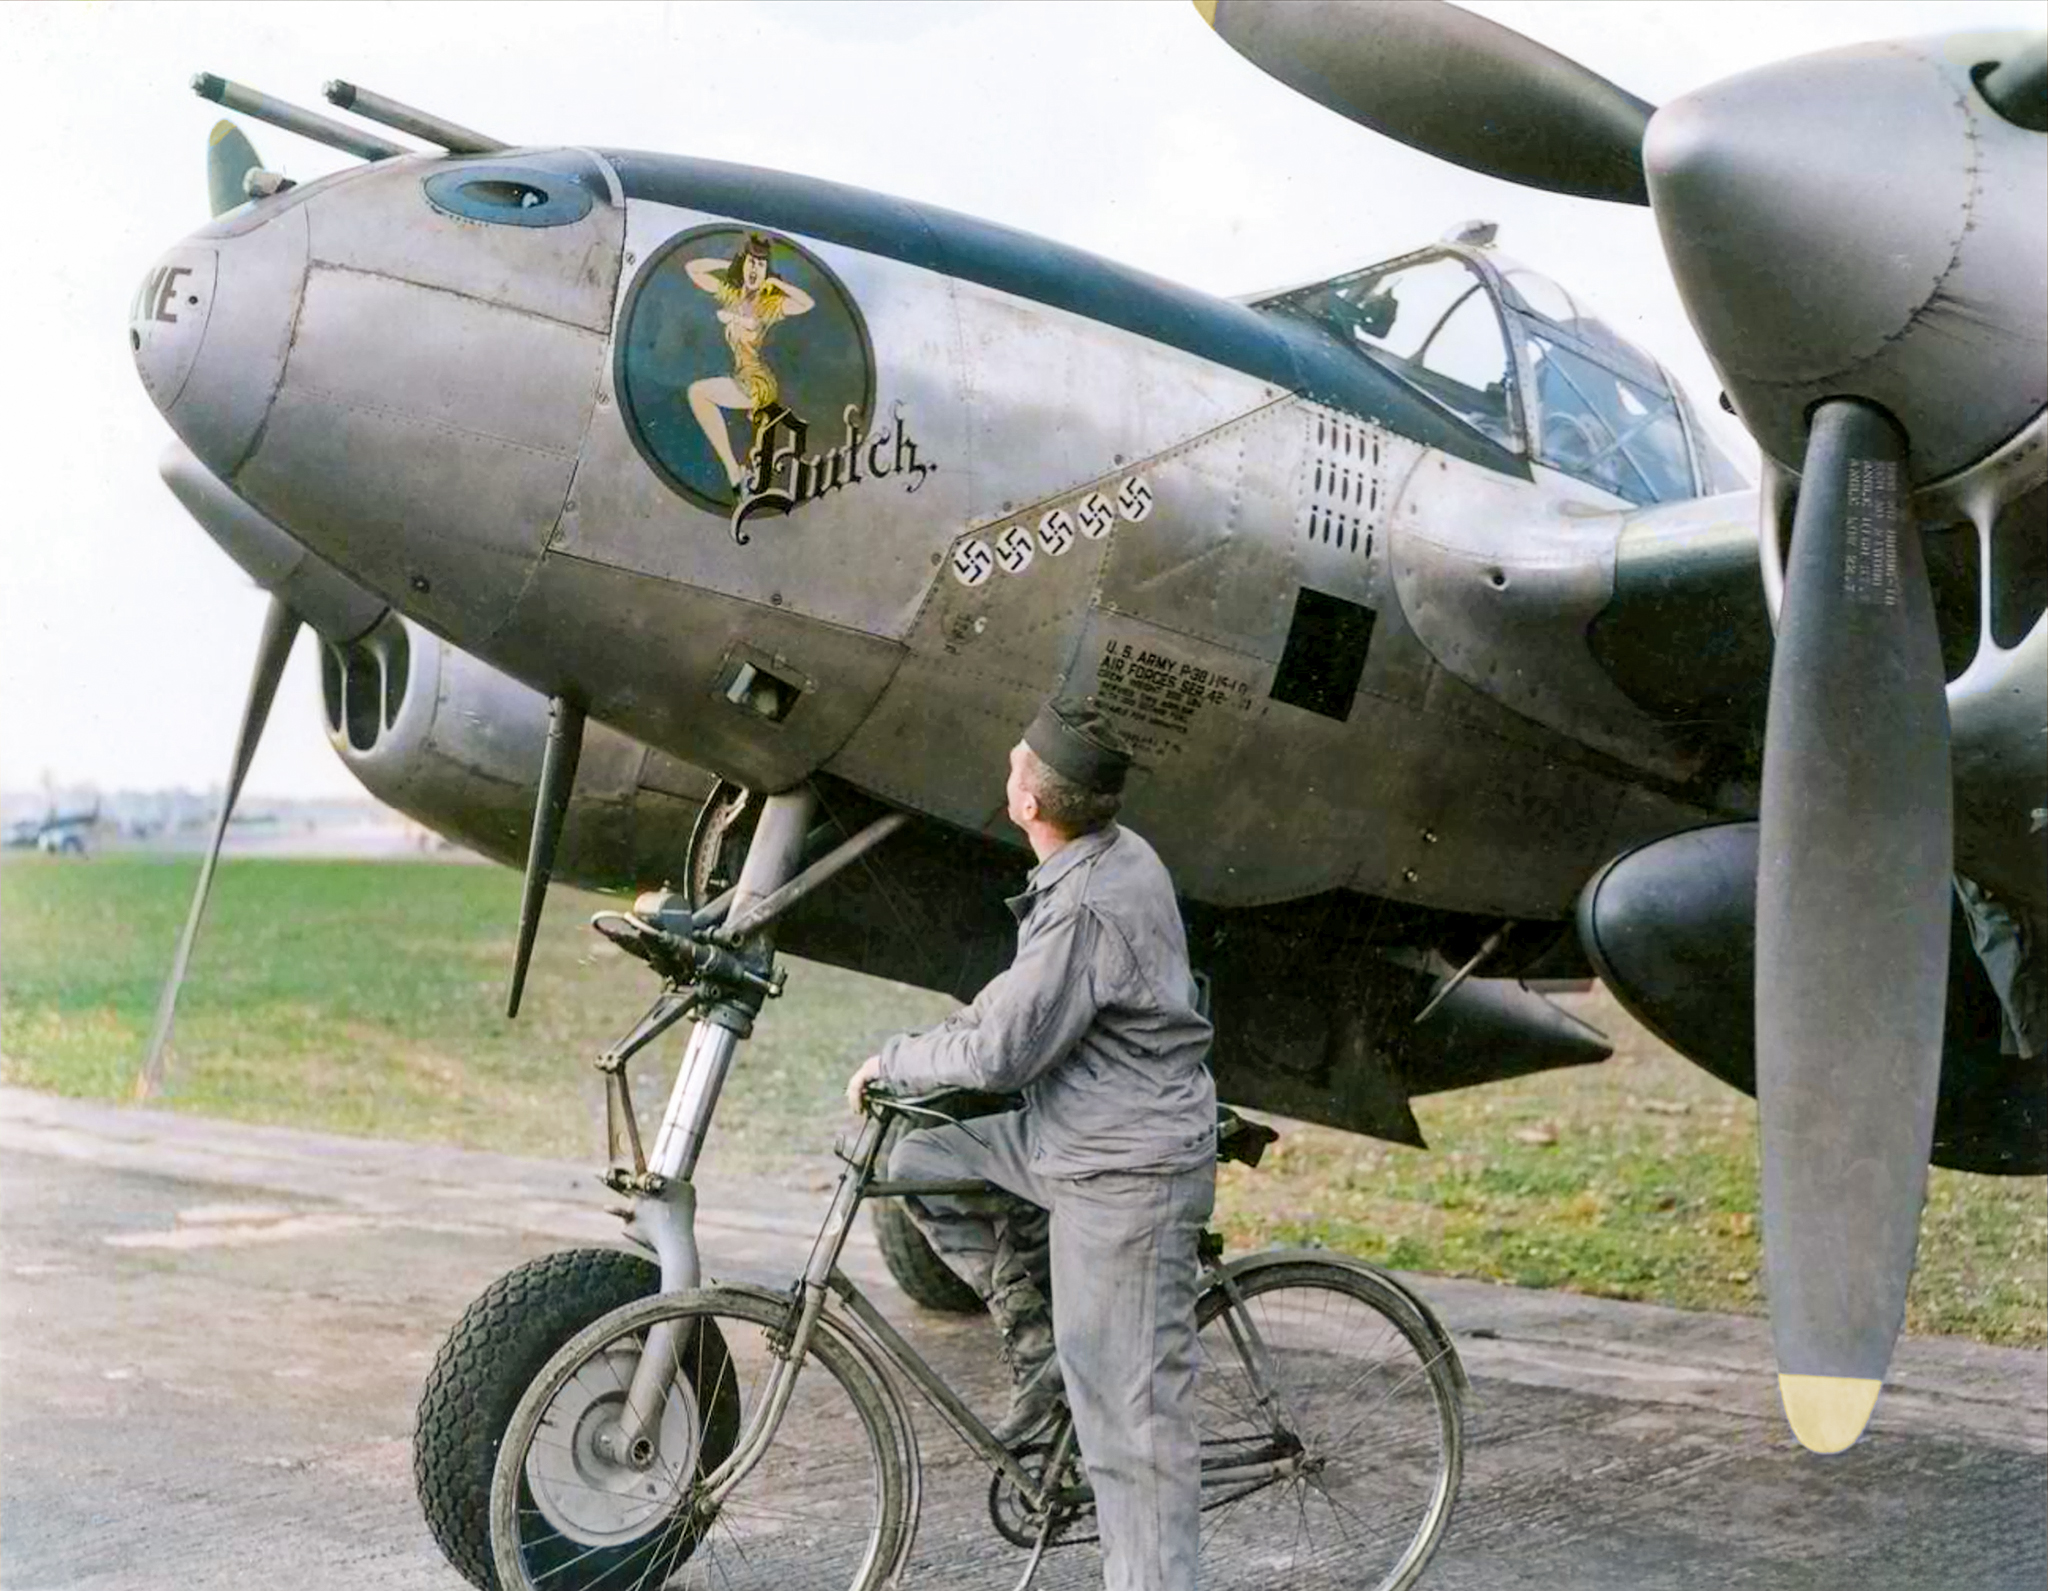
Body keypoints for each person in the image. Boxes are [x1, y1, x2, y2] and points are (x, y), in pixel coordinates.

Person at [844, 696, 1217, 1591]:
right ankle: (1041, 1339)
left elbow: (1006, 1051)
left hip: (1123, 1174)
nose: (1007, 767)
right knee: (918, 1160)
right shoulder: (1104, 854)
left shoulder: (1085, 897)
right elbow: (1018, 1004)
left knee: (1131, 1434)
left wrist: (895, 1061)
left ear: (1028, 806)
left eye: (1014, 765)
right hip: (1067, 1135)